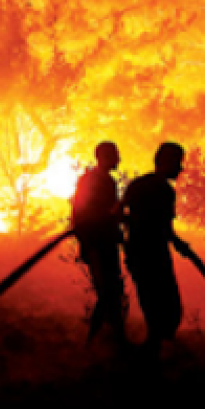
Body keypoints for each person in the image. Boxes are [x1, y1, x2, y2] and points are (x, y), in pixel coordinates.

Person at [119, 142, 190, 358]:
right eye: (177, 163)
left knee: (150, 299)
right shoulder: (164, 191)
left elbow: (117, 213)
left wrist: (130, 232)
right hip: (154, 254)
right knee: (166, 302)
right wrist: (177, 243)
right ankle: (156, 348)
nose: (180, 169)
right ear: (165, 163)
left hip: (137, 253)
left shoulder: (137, 185)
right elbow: (164, 227)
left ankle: (155, 345)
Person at [71, 141, 127, 345]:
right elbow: (81, 214)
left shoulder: (107, 181)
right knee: (108, 291)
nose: (118, 160)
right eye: (114, 155)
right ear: (103, 157)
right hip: (97, 244)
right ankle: (95, 340)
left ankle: (112, 339)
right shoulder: (91, 181)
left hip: (107, 243)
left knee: (112, 291)